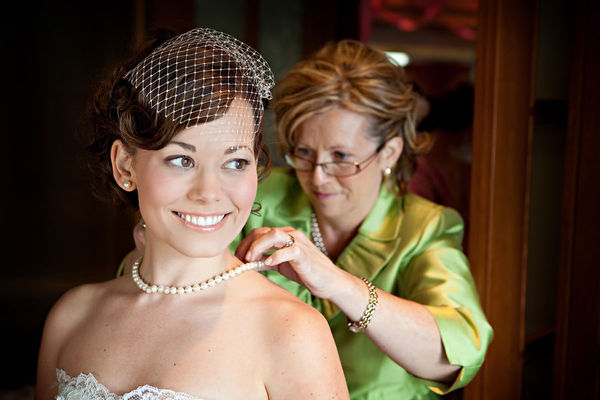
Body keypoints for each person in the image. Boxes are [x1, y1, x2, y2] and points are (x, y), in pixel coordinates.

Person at [126, 39, 493, 399]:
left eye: (341, 157)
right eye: (303, 152)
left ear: (390, 153)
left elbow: (457, 354)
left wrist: (337, 283)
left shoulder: (424, 227)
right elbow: (156, 276)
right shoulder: (257, 198)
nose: (318, 176)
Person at [34, 28, 349, 400]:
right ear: (125, 166)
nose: (209, 192)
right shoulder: (71, 316)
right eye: (182, 160)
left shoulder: (291, 332)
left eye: (235, 162)